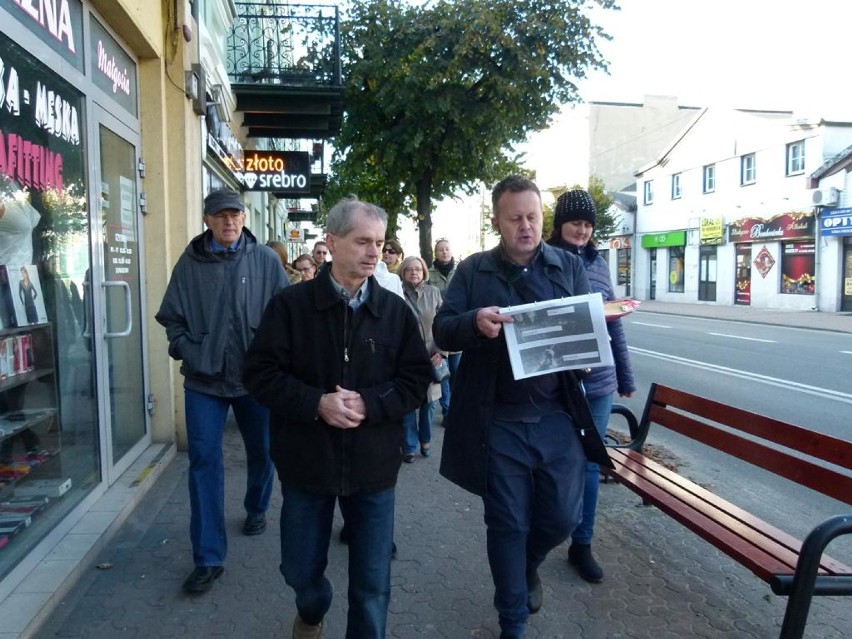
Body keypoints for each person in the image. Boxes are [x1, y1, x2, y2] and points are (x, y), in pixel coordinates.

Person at [243, 198, 432, 639]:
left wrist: (370, 403)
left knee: (372, 586)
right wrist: (316, 403)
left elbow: (416, 381)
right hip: (307, 463)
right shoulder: (290, 306)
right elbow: (259, 374)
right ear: (331, 242)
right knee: (300, 571)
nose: (372, 251)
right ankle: (312, 610)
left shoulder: (394, 312)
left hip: (373, 469)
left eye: (379, 243)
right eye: (361, 241)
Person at [433, 175, 597, 639]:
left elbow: (584, 330)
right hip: (497, 419)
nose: (526, 226)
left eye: (533, 216)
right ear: (497, 221)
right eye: (515, 218)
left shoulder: (567, 266)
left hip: (556, 415)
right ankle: (513, 622)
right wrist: (473, 323)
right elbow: (443, 331)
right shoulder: (473, 270)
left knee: (564, 517)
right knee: (506, 521)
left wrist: (590, 349)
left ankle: (529, 562)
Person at [155, 188, 287, 595]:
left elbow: (287, 316)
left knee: (263, 451)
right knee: (204, 464)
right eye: (221, 216)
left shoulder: (265, 260)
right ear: (208, 221)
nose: (230, 222)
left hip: (254, 380)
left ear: (244, 218)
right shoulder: (190, 263)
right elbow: (171, 318)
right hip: (204, 381)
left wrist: (276, 361)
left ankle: (256, 506)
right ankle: (208, 557)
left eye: (236, 215)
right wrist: (188, 350)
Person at [547, 189, 636, 583]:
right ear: (559, 224)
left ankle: (581, 544)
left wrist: (626, 376)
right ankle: (543, 533)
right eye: (575, 223)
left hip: (597, 382)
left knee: (589, 464)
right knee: (550, 462)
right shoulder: (542, 261)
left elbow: (612, 322)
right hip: (554, 382)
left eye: (587, 224)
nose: (581, 230)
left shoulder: (599, 265)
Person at [398, 255, 444, 462]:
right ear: (403, 272)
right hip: (405, 358)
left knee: (429, 404)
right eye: (409, 269)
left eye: (417, 269)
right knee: (408, 404)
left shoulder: (434, 293)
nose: (414, 272)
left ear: (424, 271)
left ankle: (425, 439)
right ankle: (409, 446)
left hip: (431, 356)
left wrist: (441, 351)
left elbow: (443, 324)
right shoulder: (396, 293)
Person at [427, 238, 460, 418]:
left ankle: (458, 408)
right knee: (443, 373)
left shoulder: (461, 272)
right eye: (440, 250)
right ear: (436, 253)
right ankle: (448, 411)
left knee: (458, 373)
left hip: (458, 327)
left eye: (447, 249)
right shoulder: (428, 275)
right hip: (439, 329)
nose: (444, 252)